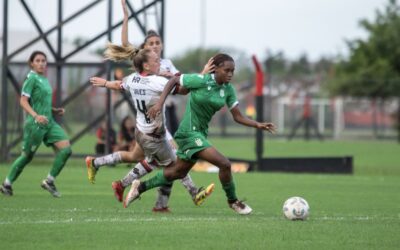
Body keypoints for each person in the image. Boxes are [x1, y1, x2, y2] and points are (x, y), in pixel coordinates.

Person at [85, 0, 214, 212]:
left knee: (151, 162)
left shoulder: (138, 76)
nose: (155, 51)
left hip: (144, 129)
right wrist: (203, 74)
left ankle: (122, 183)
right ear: (145, 56)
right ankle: (191, 194)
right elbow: (183, 88)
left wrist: (106, 83)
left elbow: (121, 83)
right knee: (175, 165)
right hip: (154, 131)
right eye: (151, 47)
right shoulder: (156, 79)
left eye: (157, 44)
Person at [123, 53, 277, 215]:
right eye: (226, 70)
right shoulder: (201, 80)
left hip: (200, 134)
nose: (230, 74)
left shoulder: (228, 90)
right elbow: (174, 80)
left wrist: (258, 124)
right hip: (188, 132)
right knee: (224, 164)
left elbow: (238, 116)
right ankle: (233, 202)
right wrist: (160, 102)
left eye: (233, 71)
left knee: (178, 172)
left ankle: (140, 187)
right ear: (215, 69)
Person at [0, 51, 72, 197]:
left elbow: (39, 102)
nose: (41, 63)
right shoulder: (31, 78)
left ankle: (49, 181)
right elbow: (23, 101)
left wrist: (53, 110)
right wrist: (36, 116)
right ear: (32, 63)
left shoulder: (44, 79)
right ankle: (7, 184)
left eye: (43, 60)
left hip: (49, 122)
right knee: (27, 157)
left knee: (66, 149)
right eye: (38, 60)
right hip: (35, 125)